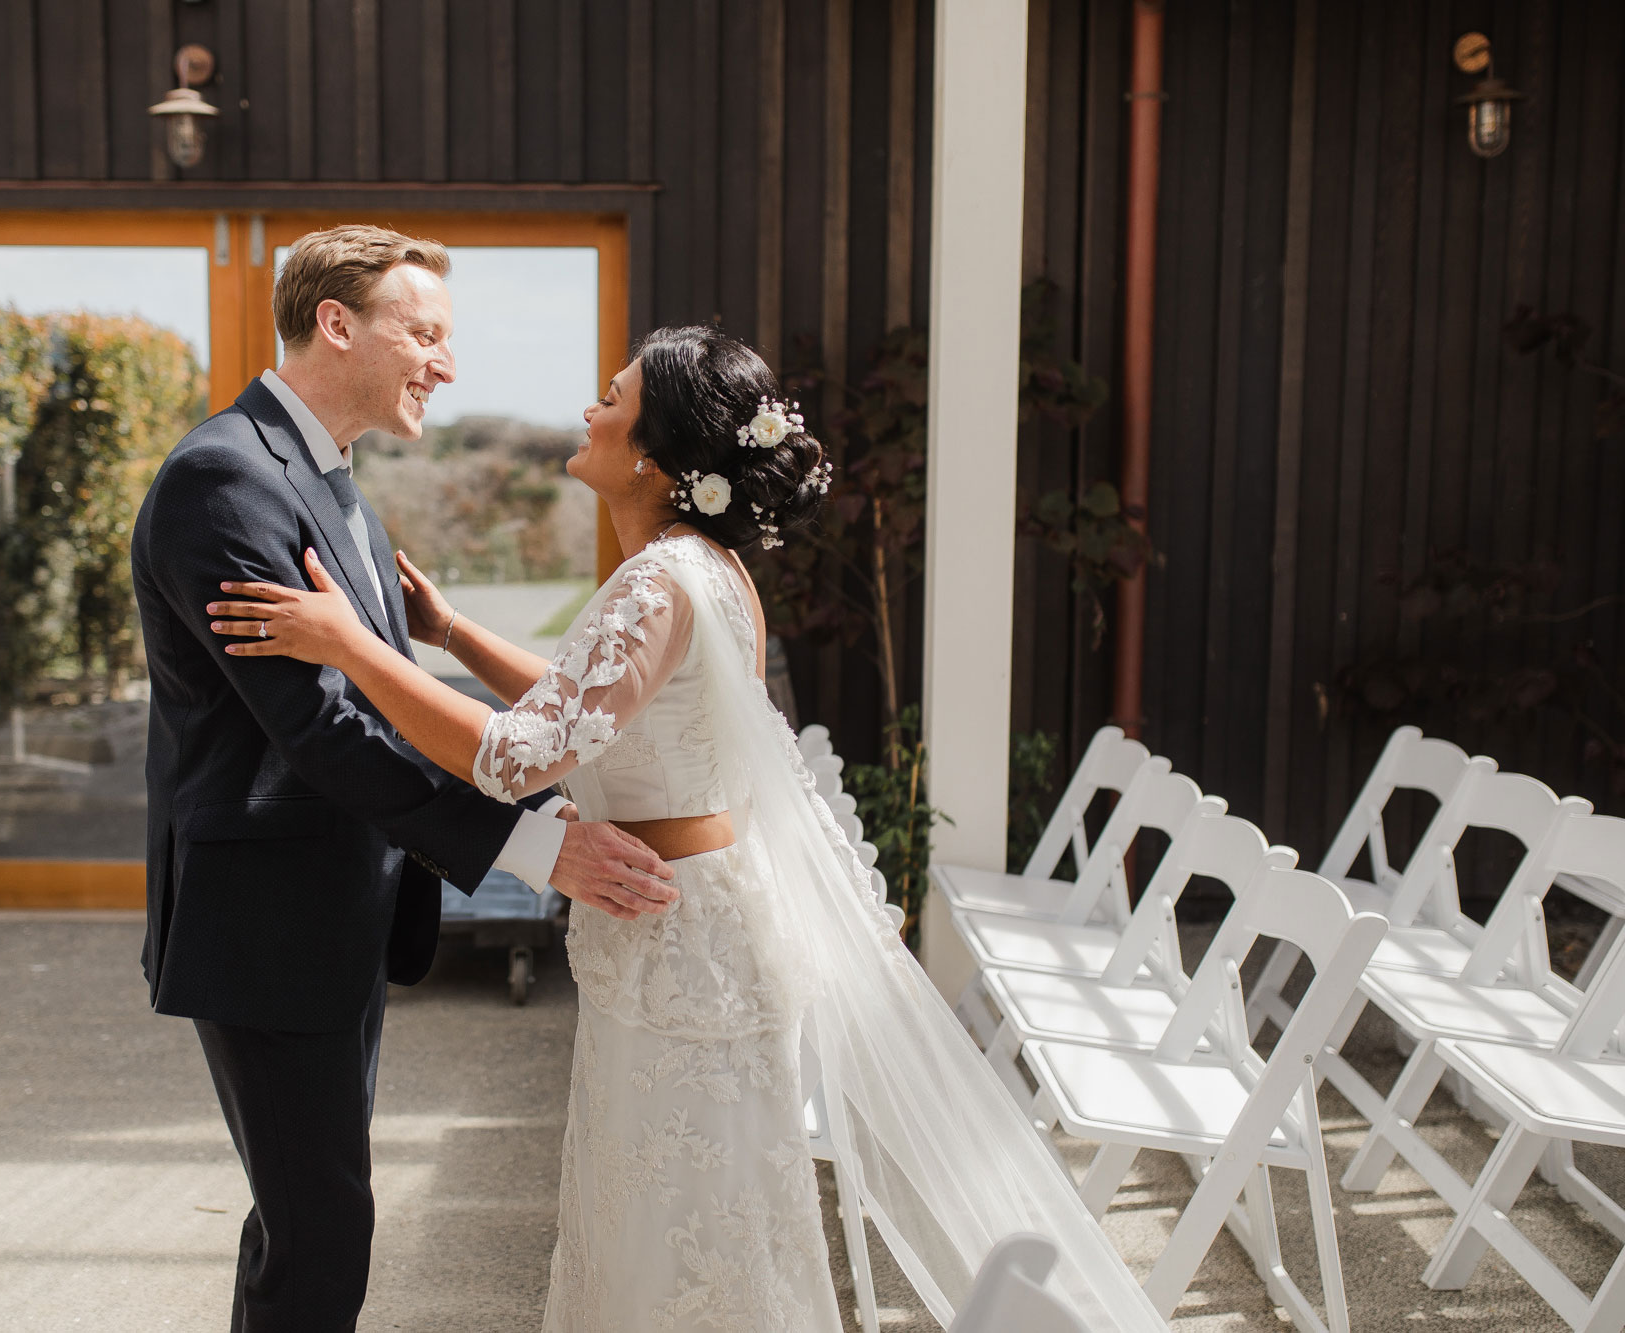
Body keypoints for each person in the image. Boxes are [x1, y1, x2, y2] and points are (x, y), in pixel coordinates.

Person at [205, 324, 1171, 1329]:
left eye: (612, 398)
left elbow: (514, 757)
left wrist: (351, 648)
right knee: (691, 1219)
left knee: (676, 1224)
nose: (589, 409)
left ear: (657, 457)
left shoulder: (659, 580)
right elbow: (590, 706)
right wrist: (449, 635)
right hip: (688, 931)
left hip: (680, 950)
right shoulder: (699, 568)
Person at [129, 224, 678, 1333]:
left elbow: (392, 692)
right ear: (337, 323)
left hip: (329, 919)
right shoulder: (221, 484)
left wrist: (534, 790)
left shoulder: (331, 484)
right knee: (322, 1231)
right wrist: (535, 845)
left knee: (301, 1217)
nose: (447, 362)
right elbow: (323, 734)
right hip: (266, 928)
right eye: (423, 332)